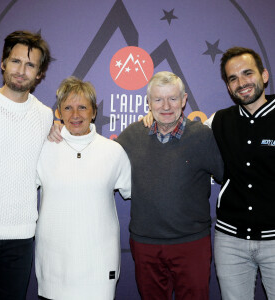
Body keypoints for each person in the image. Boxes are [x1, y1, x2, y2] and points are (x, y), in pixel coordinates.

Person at [48, 71, 223, 300]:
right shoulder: (132, 134)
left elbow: (226, 176)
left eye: (172, 98)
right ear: (148, 103)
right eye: (158, 99)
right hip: (145, 244)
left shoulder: (202, 136)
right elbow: (96, 154)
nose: (166, 106)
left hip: (191, 243)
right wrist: (60, 130)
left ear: (184, 100)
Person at [35, 76, 131, 300]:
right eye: (67, 108)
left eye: (82, 107)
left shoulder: (113, 151)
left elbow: (136, 192)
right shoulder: (43, 148)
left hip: (99, 263)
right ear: (58, 112)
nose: (75, 115)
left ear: (94, 111)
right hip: (54, 263)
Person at [0, 30, 53, 300]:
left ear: (39, 73)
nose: (22, 70)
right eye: (16, 61)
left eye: (30, 65)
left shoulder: (45, 116)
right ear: (3, 63)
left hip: (20, 238)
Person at [206, 47, 275, 300]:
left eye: (248, 73)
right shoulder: (218, 120)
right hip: (230, 241)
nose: (241, 83)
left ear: (264, 75)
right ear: (227, 86)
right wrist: (154, 117)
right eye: (232, 78)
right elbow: (182, 136)